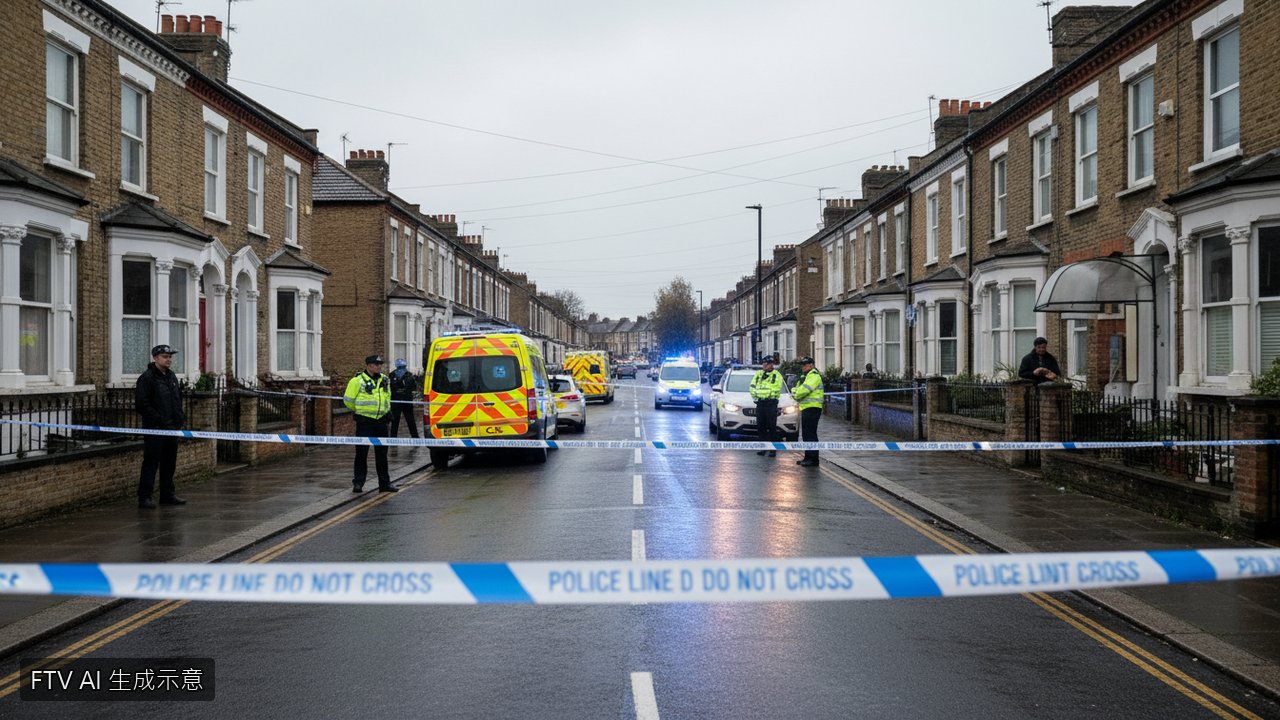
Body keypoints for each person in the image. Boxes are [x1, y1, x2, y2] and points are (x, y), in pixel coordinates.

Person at [135, 344, 187, 508]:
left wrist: (179, 419)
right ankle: (145, 497)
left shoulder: (171, 376)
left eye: (170, 356)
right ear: (156, 358)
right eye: (165, 356)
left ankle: (167, 494)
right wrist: (158, 419)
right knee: (151, 463)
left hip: (172, 428)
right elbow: (142, 404)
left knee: (169, 463)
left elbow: (177, 399)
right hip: (155, 429)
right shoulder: (147, 378)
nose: (169, 359)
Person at [344, 355, 397, 493]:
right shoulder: (357, 381)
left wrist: (387, 411)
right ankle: (358, 483)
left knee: (382, 455)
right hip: (365, 422)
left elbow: (387, 397)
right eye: (376, 364)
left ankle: (384, 484)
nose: (379, 366)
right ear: (369, 365)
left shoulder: (385, 380)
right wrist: (360, 411)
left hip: (381, 421)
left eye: (380, 364)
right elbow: (348, 400)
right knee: (361, 453)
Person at [791, 356, 824, 467]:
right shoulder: (805, 377)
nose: (803, 367)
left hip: (813, 408)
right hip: (806, 408)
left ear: (811, 365)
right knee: (806, 434)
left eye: (805, 364)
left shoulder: (814, 376)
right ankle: (808, 457)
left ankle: (813, 459)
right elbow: (795, 389)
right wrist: (796, 392)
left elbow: (803, 390)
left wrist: (796, 393)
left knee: (810, 434)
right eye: (802, 365)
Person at [749, 356, 784, 457]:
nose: (764, 365)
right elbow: (752, 387)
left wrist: (760, 393)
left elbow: (775, 389)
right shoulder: (758, 374)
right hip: (760, 404)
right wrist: (759, 395)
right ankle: (763, 448)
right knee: (761, 427)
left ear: (771, 364)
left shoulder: (777, 375)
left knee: (772, 427)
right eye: (763, 363)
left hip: (771, 404)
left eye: (766, 363)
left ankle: (772, 449)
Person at [388, 358, 420, 439]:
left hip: (396, 400)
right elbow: (414, 387)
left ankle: (393, 438)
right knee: (410, 420)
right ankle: (415, 438)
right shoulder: (409, 375)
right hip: (406, 400)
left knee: (395, 421)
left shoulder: (391, 375)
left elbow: (389, 388)